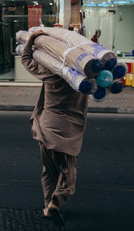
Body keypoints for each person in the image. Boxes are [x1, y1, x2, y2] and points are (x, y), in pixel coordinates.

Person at [21, 30, 89, 226]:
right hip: (70, 130)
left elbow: (25, 58)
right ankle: (55, 203)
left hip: (48, 127)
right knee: (69, 173)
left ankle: (47, 206)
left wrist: (33, 38)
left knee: (48, 170)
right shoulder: (83, 80)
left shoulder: (50, 73)